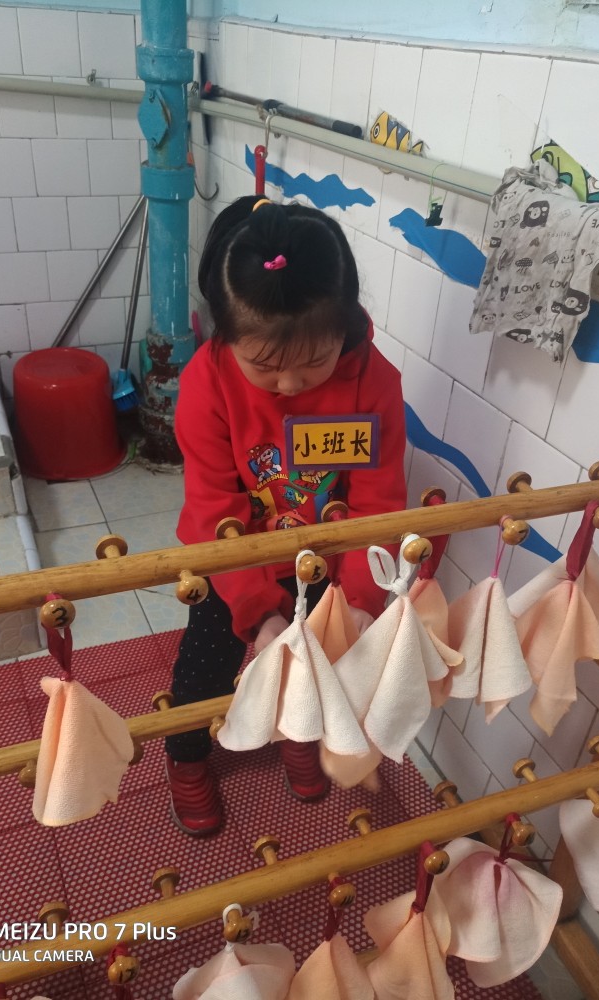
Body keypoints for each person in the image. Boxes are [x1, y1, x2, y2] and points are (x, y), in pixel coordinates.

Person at [164, 195, 408, 835]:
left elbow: (379, 501)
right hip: (232, 561)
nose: (292, 386)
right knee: (206, 669)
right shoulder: (208, 382)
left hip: (325, 561)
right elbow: (212, 505)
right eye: (267, 368)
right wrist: (257, 611)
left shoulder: (374, 381)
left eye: (315, 362)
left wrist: (360, 600)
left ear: (344, 328)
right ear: (226, 338)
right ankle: (187, 757)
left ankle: (301, 734)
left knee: (319, 663)